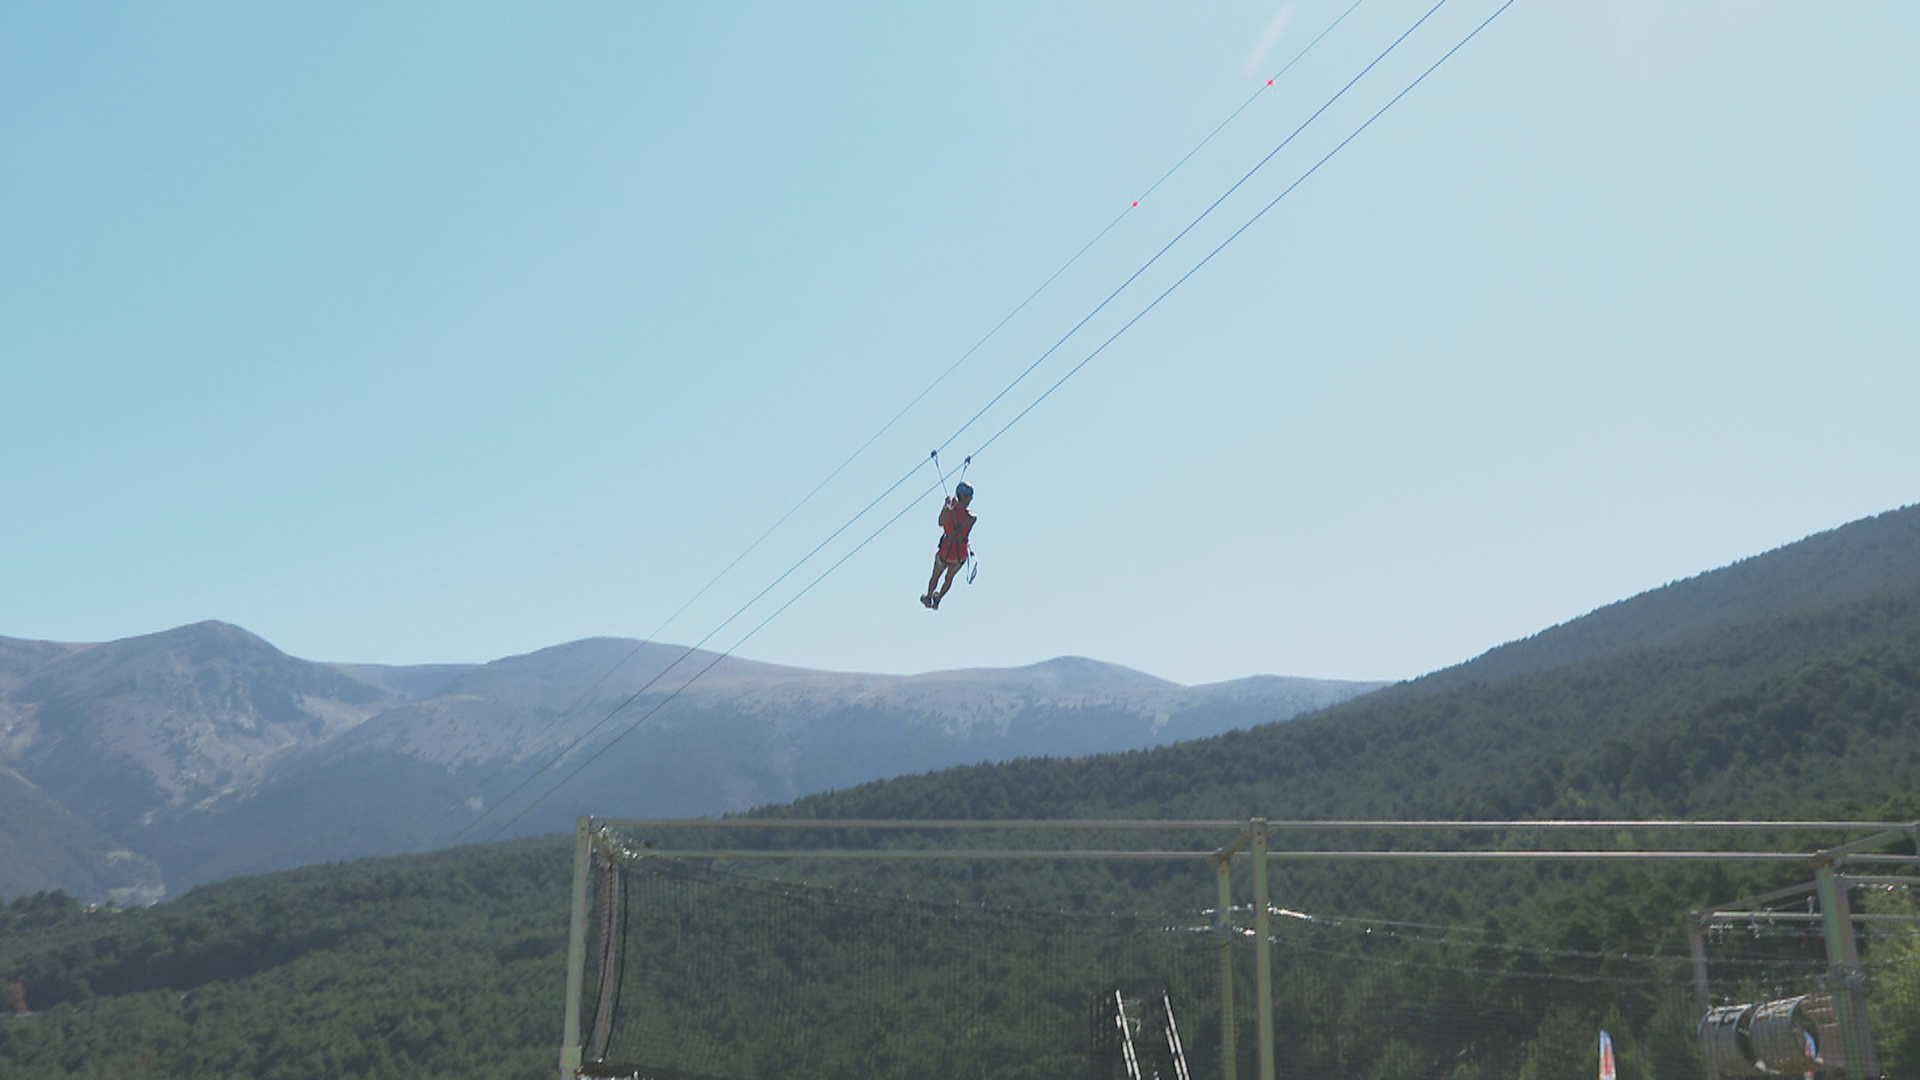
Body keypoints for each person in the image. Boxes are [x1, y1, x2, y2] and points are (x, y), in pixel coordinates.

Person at [921, 482, 975, 610]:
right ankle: (938, 599)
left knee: (935, 575)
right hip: (960, 555)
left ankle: (928, 597)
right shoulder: (972, 518)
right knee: (949, 578)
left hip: (945, 553)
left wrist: (947, 506)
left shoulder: (948, 513)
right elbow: (970, 516)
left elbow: (940, 522)